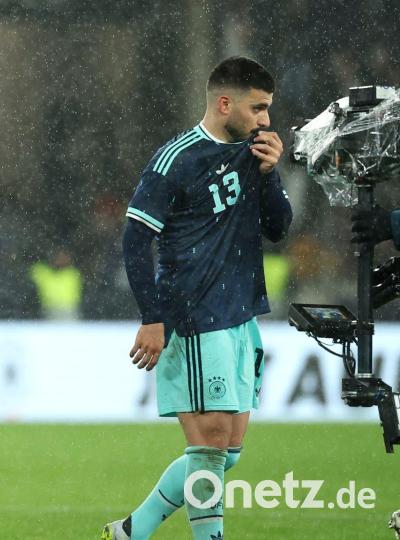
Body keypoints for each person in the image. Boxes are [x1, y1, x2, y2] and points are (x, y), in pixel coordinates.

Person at [102, 56, 292, 540]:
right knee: (208, 450)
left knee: (227, 453)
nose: (266, 120)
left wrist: (271, 174)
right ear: (224, 103)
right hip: (194, 317)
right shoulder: (177, 159)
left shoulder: (255, 153)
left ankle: (130, 531)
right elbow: (134, 238)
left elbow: (279, 228)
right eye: (258, 108)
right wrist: (152, 317)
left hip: (240, 315)